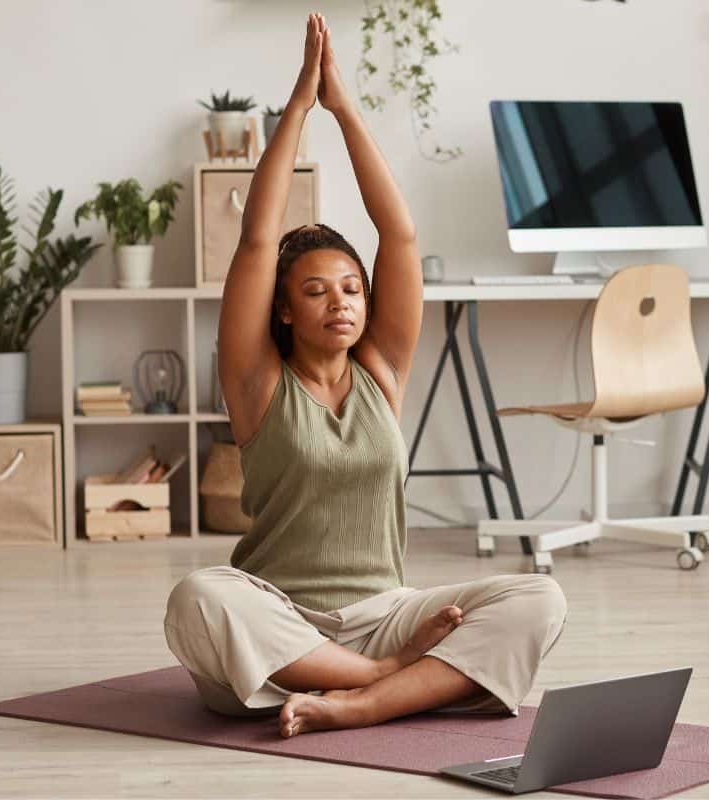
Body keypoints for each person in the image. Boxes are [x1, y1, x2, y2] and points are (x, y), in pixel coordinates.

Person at [163, 13, 567, 739]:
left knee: (540, 598)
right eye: (316, 290)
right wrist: (297, 107)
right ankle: (387, 684)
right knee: (197, 598)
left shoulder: (381, 374)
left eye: (351, 288)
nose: (340, 302)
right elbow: (258, 237)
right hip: (282, 623)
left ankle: (357, 703)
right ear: (283, 310)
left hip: (387, 616)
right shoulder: (258, 385)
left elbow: (400, 235)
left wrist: (344, 108)